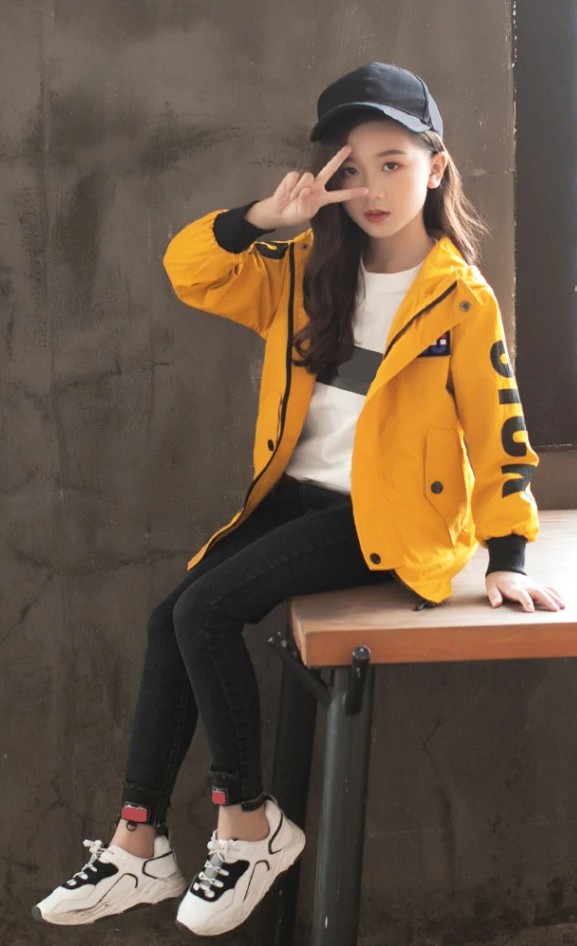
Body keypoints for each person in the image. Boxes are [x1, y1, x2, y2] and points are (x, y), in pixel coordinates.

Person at [33, 61, 565, 937]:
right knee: (169, 618)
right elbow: (189, 270)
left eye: (393, 163)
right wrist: (261, 219)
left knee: (204, 611)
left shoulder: (458, 299)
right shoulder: (301, 268)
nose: (373, 189)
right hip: (291, 500)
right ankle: (137, 841)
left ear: (435, 166)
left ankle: (250, 825)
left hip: (386, 520)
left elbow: (499, 433)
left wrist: (507, 556)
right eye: (352, 168)